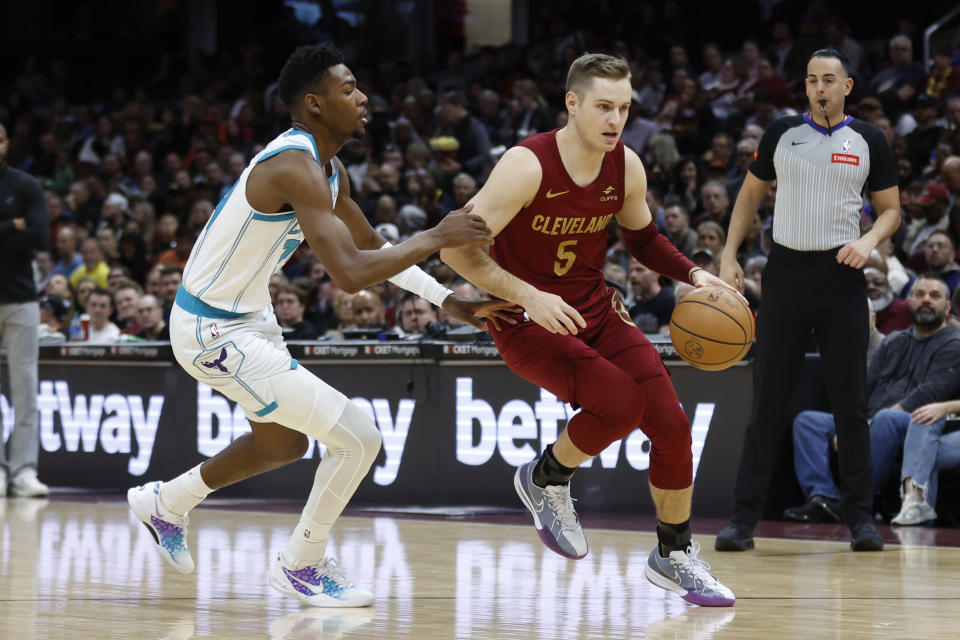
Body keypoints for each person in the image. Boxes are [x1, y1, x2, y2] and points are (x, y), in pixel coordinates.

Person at [126, 43, 510, 609]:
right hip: (211, 331)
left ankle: (166, 502)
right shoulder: (293, 168)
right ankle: (301, 564)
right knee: (360, 438)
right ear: (314, 103)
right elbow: (351, 275)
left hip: (249, 314)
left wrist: (447, 300)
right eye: (349, 89)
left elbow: (371, 245)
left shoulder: (329, 170)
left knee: (280, 446)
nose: (363, 98)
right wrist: (435, 235)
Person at [441, 52, 737, 607]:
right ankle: (546, 479)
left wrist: (696, 274)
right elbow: (457, 249)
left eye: (624, 108)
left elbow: (643, 240)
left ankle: (673, 556)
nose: (615, 120)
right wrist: (529, 295)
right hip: (526, 316)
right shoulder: (526, 165)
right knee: (620, 406)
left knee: (672, 428)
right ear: (572, 104)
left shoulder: (624, 165)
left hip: (595, 307)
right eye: (604, 106)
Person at [716, 49, 901, 552]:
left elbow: (890, 211)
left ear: (848, 86)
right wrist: (729, 253)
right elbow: (749, 196)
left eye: (830, 80)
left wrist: (868, 242)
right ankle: (743, 520)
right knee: (768, 402)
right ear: (806, 87)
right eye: (812, 80)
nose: (821, 87)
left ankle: (861, 520)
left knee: (851, 404)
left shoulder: (869, 139)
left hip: (842, 276)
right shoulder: (781, 133)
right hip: (786, 274)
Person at [784, 276, 960, 524]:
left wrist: (869, 421)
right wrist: (849, 422)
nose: (926, 300)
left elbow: (930, 393)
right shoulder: (894, 340)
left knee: (886, 419)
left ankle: (857, 500)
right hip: (870, 418)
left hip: (915, 421)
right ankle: (824, 497)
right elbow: (862, 387)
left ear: (947, 307)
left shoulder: (953, 344)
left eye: (934, 295)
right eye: (919, 294)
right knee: (808, 422)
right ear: (910, 301)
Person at [0, 122, 51, 498]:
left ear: (6, 144)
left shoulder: (26, 186)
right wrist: (9, 226)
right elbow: (21, 233)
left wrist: (20, 229)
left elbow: (38, 236)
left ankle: (23, 471)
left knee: (25, 389)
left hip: (20, 300)